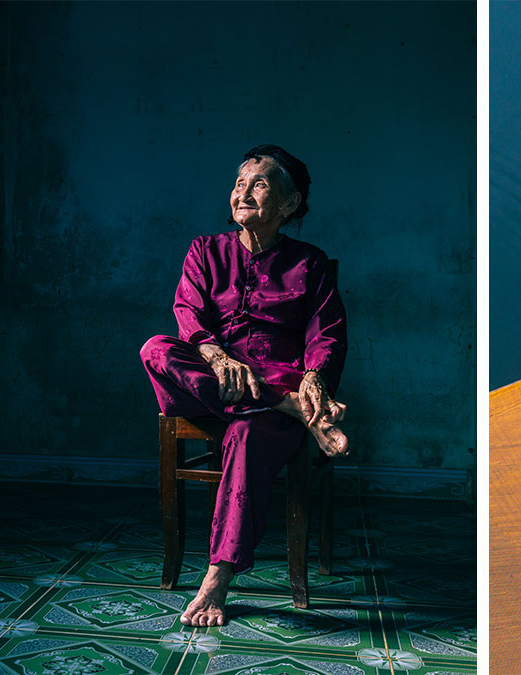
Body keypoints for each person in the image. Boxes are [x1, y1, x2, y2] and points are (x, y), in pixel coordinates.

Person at [140, 144, 348, 627]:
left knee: (248, 433)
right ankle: (289, 405)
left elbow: (328, 332)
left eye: (258, 184)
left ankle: (217, 580)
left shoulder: (310, 264)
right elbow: (187, 313)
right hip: (209, 385)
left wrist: (313, 376)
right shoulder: (204, 251)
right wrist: (215, 356)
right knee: (156, 347)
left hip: (263, 413)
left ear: (290, 204)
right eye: (238, 183)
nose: (242, 192)